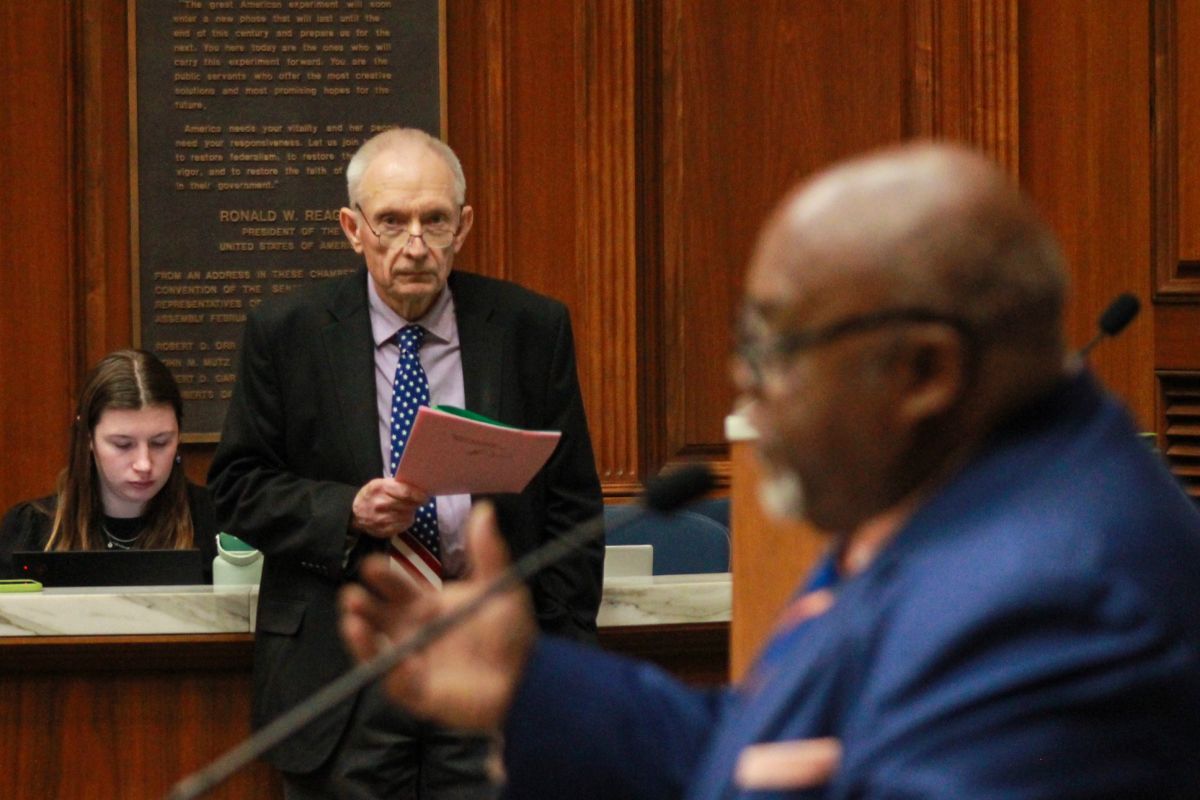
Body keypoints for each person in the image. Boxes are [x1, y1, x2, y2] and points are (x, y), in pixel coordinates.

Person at [340, 142, 1200, 798]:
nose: (746, 385)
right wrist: (527, 684)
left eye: (778, 346)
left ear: (925, 372)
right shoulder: (944, 489)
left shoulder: (1055, 593)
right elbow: (759, 735)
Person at [207, 127, 602, 799]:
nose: (415, 245)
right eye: (392, 222)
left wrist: (551, 664)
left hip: (485, 671)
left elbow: (570, 507)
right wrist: (346, 511)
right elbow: (237, 488)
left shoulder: (529, 329)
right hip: (344, 675)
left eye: (435, 221)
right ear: (353, 228)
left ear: (463, 226)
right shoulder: (287, 332)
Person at [0, 349, 217, 578]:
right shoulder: (31, 528)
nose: (144, 464)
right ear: (88, 438)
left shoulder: (215, 522)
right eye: (123, 445)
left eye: (160, 443)